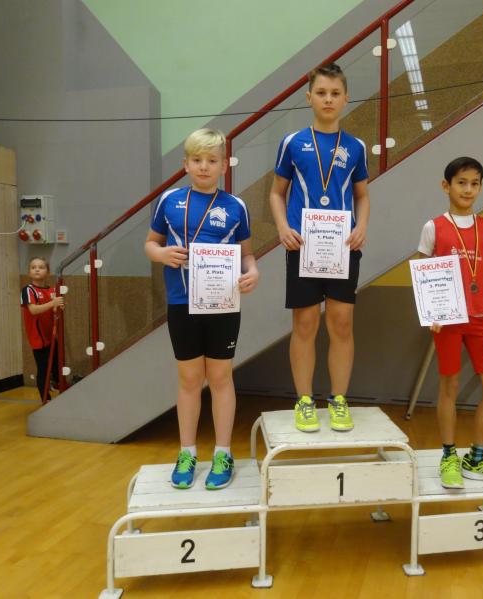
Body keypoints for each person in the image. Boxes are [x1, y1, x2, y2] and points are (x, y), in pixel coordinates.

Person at [145, 128, 258, 490]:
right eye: (197, 160)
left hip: (223, 304)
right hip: (182, 303)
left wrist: (253, 272)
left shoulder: (235, 206)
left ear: (224, 165)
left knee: (221, 378)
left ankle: (223, 453)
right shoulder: (169, 201)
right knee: (190, 380)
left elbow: (247, 255)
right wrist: (161, 254)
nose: (204, 166)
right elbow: (151, 244)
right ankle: (187, 453)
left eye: (211, 160)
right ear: (185, 164)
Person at [269, 62, 370, 433]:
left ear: (345, 98)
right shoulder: (292, 143)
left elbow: (362, 196)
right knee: (306, 323)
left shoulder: (356, 147)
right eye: (322, 93)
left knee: (341, 323)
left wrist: (362, 227)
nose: (328, 99)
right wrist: (283, 228)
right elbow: (276, 193)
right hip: (302, 246)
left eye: (335, 93)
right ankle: (305, 400)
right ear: (309, 97)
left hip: (342, 246)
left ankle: (339, 399)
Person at [417, 156, 483, 488]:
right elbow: (422, 275)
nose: (468, 189)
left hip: (479, 321)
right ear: (446, 186)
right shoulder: (434, 227)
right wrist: (431, 312)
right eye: (461, 182)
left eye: (474, 183)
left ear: (480, 187)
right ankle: (449, 455)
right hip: (447, 322)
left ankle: (477, 458)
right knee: (449, 385)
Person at [20, 257, 63, 402]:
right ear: (29, 272)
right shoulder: (28, 290)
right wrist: (52, 303)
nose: (37, 269)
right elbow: (33, 310)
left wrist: (58, 306)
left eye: (41, 267)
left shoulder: (52, 290)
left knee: (57, 364)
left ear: (48, 272)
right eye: (33, 267)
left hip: (51, 336)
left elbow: (56, 309)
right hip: (38, 337)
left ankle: (58, 385)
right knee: (44, 369)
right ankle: (45, 398)